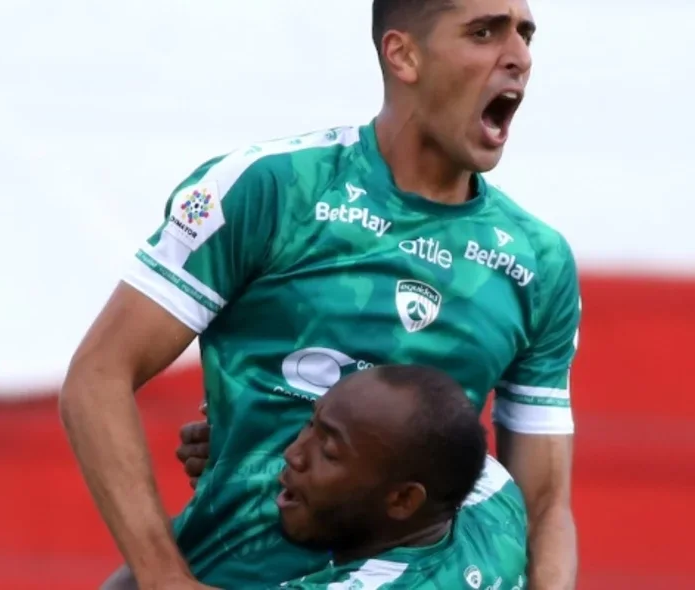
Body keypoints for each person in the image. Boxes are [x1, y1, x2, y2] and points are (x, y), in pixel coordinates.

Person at [59, 0, 580, 588]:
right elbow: (97, 376)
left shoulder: (538, 262)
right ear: (404, 54)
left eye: (526, 36)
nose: (518, 58)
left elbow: (543, 505)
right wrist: (163, 578)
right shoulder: (273, 190)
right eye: (484, 33)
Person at [102, 365, 529, 589]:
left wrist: (155, 567)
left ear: (402, 501)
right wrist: (244, 446)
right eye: (310, 425)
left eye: (328, 452)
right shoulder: (495, 500)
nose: (292, 453)